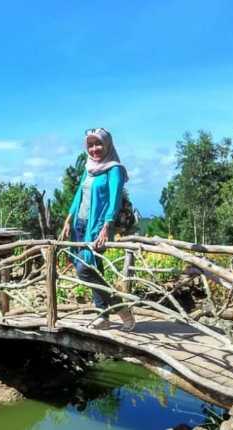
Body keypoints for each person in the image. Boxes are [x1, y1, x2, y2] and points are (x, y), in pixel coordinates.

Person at [60, 128, 135, 331]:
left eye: (98, 144)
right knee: (93, 269)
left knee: (84, 270)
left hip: (99, 226)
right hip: (80, 224)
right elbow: (79, 195)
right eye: (90, 145)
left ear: (108, 144)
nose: (94, 149)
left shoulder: (114, 169)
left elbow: (115, 199)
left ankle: (121, 310)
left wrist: (106, 227)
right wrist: (68, 220)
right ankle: (103, 315)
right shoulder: (89, 167)